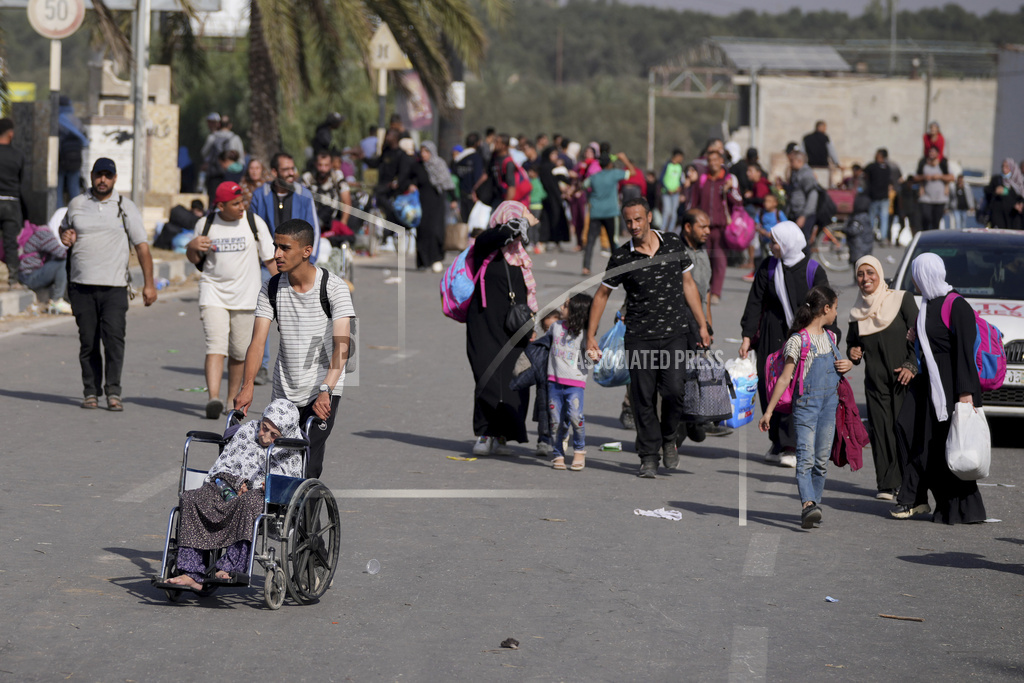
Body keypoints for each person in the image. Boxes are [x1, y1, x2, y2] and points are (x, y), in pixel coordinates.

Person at [586, 197, 711, 478]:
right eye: (628, 220)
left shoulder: (673, 244)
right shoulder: (621, 257)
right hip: (639, 337)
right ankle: (648, 456)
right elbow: (602, 294)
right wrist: (590, 335)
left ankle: (669, 438)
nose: (633, 225)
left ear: (649, 217)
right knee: (642, 398)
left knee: (674, 391)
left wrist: (702, 324)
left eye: (638, 219)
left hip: (675, 334)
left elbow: (688, 284)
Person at [234, 219, 355, 479]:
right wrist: (247, 385)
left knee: (306, 463)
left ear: (306, 251)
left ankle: (306, 516)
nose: (276, 254)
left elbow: (343, 347)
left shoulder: (333, 288)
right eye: (276, 246)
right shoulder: (272, 287)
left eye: (285, 248)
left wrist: (326, 390)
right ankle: (279, 519)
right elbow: (257, 342)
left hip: (323, 390)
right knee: (275, 459)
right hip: (284, 391)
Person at [165, 400, 304, 590]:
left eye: (274, 435)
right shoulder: (247, 432)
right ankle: (192, 572)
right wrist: (235, 482)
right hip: (227, 486)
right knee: (191, 498)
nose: (265, 437)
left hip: (260, 497)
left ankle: (230, 567)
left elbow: (289, 484)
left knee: (248, 504)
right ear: (261, 420)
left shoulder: (291, 448)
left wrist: (267, 485)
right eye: (264, 428)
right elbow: (223, 465)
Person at [892, 253, 987, 524]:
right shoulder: (927, 304)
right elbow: (932, 344)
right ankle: (922, 497)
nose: (913, 279)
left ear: (924, 274)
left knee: (951, 448)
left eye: (915, 273)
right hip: (931, 386)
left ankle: (960, 509)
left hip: (953, 386)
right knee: (907, 429)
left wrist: (965, 393)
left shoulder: (956, 305)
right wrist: (915, 336)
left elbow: (964, 353)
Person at [59, 158, 157, 411]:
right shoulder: (77, 204)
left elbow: (142, 247)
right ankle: (90, 391)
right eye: (99, 175)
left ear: (114, 179)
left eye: (108, 175)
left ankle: (113, 391)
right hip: (81, 286)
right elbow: (64, 231)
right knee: (88, 341)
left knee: (114, 340)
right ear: (91, 176)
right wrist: (65, 236)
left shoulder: (125, 207)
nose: (103, 180)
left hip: (114, 287)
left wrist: (149, 284)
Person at [739, 221, 836, 467]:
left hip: (803, 336)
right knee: (770, 384)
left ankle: (792, 445)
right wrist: (747, 336)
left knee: (796, 386)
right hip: (772, 334)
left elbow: (826, 306)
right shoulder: (769, 267)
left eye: (775, 242)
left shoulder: (813, 270)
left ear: (787, 244)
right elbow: (755, 301)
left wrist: (829, 336)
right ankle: (778, 441)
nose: (771, 246)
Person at [759, 285, 852, 528]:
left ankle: (814, 504)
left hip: (828, 405)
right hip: (806, 407)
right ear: (826, 309)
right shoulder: (798, 341)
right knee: (806, 458)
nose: (836, 315)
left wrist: (847, 364)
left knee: (821, 460)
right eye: (835, 309)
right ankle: (808, 504)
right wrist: (768, 411)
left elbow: (838, 366)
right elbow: (783, 379)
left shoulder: (831, 338)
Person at [187, 181, 277, 420]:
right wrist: (192, 246)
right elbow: (194, 258)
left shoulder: (253, 223)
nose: (241, 207)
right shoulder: (205, 224)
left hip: (247, 297)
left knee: (239, 352)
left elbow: (270, 260)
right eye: (235, 203)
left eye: (242, 202)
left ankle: (230, 400)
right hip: (213, 292)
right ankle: (213, 399)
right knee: (215, 345)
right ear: (220, 205)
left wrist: (284, 289)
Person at [468, 202, 539, 456]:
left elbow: (528, 296)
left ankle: (504, 433)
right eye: (515, 221)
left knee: (513, 379)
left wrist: (531, 325)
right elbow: (498, 234)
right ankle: (485, 432)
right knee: (485, 377)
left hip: (514, 327)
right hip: (483, 324)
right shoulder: (486, 245)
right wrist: (518, 224)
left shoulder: (520, 256)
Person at [846, 256, 919, 500]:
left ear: (879, 273)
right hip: (876, 382)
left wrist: (911, 364)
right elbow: (852, 345)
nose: (865, 279)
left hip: (904, 379)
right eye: (860, 274)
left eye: (870, 273)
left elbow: (920, 336)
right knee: (881, 430)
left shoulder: (901, 300)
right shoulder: (857, 313)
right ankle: (887, 484)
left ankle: (910, 483)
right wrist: (853, 353)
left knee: (903, 428)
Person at [249, 152, 322, 385]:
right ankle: (261, 365)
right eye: (286, 169)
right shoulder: (260, 195)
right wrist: (270, 264)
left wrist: (308, 263)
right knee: (261, 312)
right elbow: (255, 231)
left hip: (299, 264)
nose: (292, 173)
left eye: (293, 168)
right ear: (274, 173)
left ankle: (302, 365)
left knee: (301, 314)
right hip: (266, 262)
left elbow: (314, 231)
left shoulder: (304, 195)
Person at [547, 293, 593, 471]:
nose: (561, 308)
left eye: (565, 306)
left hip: (575, 383)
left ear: (576, 311)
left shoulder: (584, 334)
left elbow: (589, 359)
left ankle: (579, 451)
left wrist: (594, 357)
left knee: (575, 417)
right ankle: (558, 453)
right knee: (556, 421)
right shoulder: (555, 327)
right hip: (554, 381)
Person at [691, 149, 741, 305]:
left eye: (715, 160)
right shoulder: (703, 179)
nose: (712, 163)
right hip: (703, 227)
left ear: (721, 161)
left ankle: (716, 292)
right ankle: (704, 289)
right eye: (709, 160)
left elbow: (738, 202)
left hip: (721, 228)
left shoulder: (728, 180)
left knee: (719, 260)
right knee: (703, 260)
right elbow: (694, 201)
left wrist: (730, 190)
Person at [510, 310, 560, 457]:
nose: (551, 331)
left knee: (563, 414)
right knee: (544, 412)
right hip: (544, 383)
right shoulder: (540, 345)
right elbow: (525, 361)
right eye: (548, 328)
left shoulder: (566, 342)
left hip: (562, 382)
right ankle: (543, 440)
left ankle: (560, 439)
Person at [582, 152, 635, 276]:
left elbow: (584, 185)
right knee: (613, 241)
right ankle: (617, 267)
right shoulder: (615, 174)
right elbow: (632, 172)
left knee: (590, 241)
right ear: (610, 164)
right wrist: (624, 159)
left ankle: (586, 267)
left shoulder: (594, 177)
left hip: (595, 212)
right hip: (610, 212)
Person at [413, 141, 456, 273]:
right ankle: (423, 261)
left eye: (426, 151)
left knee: (436, 231)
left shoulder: (440, 164)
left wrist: (453, 199)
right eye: (422, 151)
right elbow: (412, 180)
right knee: (423, 231)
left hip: (437, 202)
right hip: (422, 203)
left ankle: (436, 258)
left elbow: (447, 183)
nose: (424, 154)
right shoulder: (418, 166)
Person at [17, 219, 70, 314]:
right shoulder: (44, 235)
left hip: (26, 274)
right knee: (63, 263)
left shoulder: (38, 231)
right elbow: (62, 254)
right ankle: (56, 300)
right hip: (29, 277)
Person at [0, 118, 28, 290]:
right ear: (11, 133)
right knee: (10, 243)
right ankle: (13, 280)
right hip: (11, 204)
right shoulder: (18, 155)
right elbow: (23, 184)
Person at [302, 151, 352, 238]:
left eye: (326, 165)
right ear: (315, 164)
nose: (323, 169)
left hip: (332, 220)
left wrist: (342, 225)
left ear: (331, 165)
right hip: (313, 218)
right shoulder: (308, 178)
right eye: (320, 165)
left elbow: (346, 201)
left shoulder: (337, 176)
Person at [912, 147, 954, 232]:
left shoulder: (943, 164)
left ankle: (933, 238)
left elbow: (952, 177)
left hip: (940, 198)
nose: (931, 154)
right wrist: (924, 177)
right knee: (926, 217)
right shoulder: (923, 163)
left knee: (936, 221)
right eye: (930, 151)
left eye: (933, 152)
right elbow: (915, 178)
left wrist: (940, 176)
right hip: (926, 198)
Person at [57, 96, 88, 208]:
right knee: (74, 187)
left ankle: (58, 214)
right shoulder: (77, 121)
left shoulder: (57, 119)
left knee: (58, 189)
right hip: (76, 159)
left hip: (61, 159)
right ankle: (77, 212)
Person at [786, 146, 819, 242]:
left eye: (792, 161)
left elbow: (813, 195)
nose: (790, 164)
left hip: (803, 214)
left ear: (799, 161)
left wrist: (804, 216)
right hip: (795, 212)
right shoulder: (797, 173)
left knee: (802, 243)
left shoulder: (806, 175)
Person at [863, 149, 895, 245]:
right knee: (884, 219)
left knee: (872, 219)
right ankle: (883, 238)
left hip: (874, 198)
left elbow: (864, 174)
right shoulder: (888, 168)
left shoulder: (872, 166)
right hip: (884, 197)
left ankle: (870, 237)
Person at [453, 133, 485, 222]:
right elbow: (477, 177)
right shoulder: (476, 158)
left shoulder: (458, 159)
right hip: (473, 197)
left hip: (460, 195)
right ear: (477, 143)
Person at [984, 159, 1023, 230]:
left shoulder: (1018, 182)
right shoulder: (997, 180)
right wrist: (995, 191)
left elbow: (1019, 197)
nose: (1004, 169)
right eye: (1003, 166)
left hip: (1012, 217)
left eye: (1007, 167)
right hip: (998, 216)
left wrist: (1020, 204)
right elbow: (987, 191)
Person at [659, 149, 685, 232]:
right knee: (667, 211)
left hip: (675, 193)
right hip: (666, 193)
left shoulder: (679, 167)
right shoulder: (667, 165)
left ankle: (670, 230)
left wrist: (680, 186)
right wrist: (667, 189)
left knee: (674, 213)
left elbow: (681, 179)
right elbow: (661, 179)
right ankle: (662, 229)